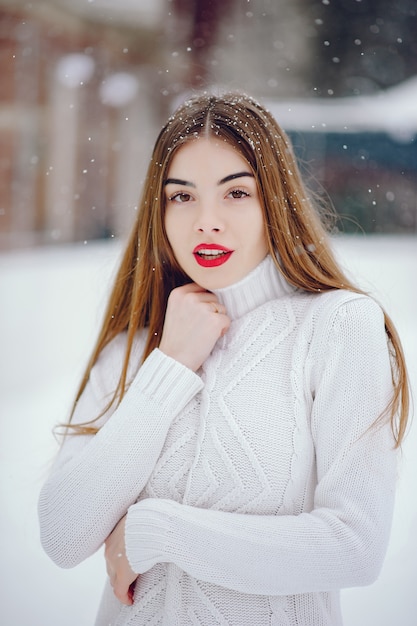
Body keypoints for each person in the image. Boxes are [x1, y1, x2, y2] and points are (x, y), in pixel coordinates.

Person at [38, 92, 410, 626]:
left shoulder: (337, 328)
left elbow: (353, 546)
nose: (206, 222)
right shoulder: (135, 350)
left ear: (274, 202)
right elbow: (62, 533)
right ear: (159, 212)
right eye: (182, 197)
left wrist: (157, 532)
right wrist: (169, 368)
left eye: (236, 193)